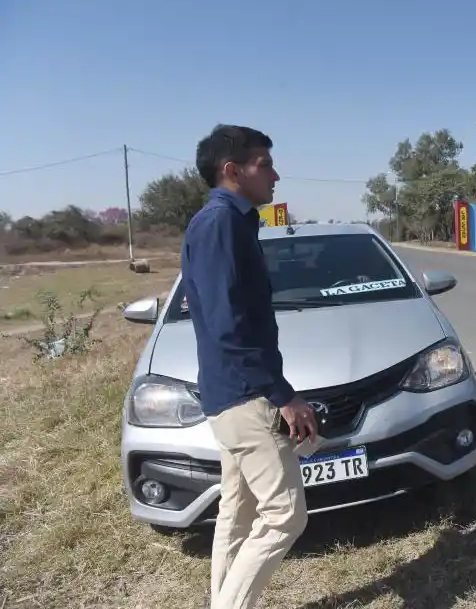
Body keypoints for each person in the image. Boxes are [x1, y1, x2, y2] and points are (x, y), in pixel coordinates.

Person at [181, 124, 318, 609]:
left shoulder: (232, 222)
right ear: (232, 170)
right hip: (244, 396)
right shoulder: (219, 224)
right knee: (284, 516)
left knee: (237, 514)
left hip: (232, 393)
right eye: (265, 164)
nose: (276, 175)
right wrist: (283, 395)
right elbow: (228, 327)